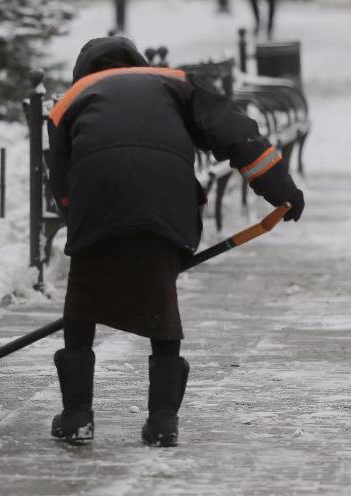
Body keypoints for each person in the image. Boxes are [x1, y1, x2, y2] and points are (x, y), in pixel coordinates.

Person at [46, 36, 304, 447]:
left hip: (98, 203)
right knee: (161, 302)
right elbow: (235, 133)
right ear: (140, 62)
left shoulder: (69, 100)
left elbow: (61, 183)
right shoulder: (177, 83)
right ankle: (163, 421)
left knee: (83, 303)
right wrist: (280, 188)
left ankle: (78, 415)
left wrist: (86, 224)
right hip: (165, 204)